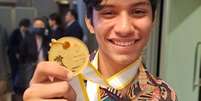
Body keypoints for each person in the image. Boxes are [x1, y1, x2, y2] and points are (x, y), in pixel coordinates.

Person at [23, 0, 177, 101]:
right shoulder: (59, 84)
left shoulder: (165, 95)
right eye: (109, 13)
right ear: (89, 22)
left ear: (153, 19)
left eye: (138, 12)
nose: (124, 28)